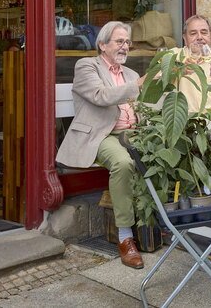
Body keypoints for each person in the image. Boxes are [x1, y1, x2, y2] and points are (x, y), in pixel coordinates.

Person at [55, 21, 146, 269]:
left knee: (168, 153)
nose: (125, 46)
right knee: (123, 163)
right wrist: (137, 86)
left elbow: (144, 107)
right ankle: (126, 237)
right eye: (119, 41)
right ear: (103, 44)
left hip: (133, 133)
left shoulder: (130, 73)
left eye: (127, 42)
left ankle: (159, 222)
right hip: (101, 135)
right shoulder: (87, 65)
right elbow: (101, 96)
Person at [170, 14, 211, 112]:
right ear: (185, 39)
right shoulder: (173, 56)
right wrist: (179, 70)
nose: (199, 37)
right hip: (184, 122)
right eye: (193, 33)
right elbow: (156, 83)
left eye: (204, 32)